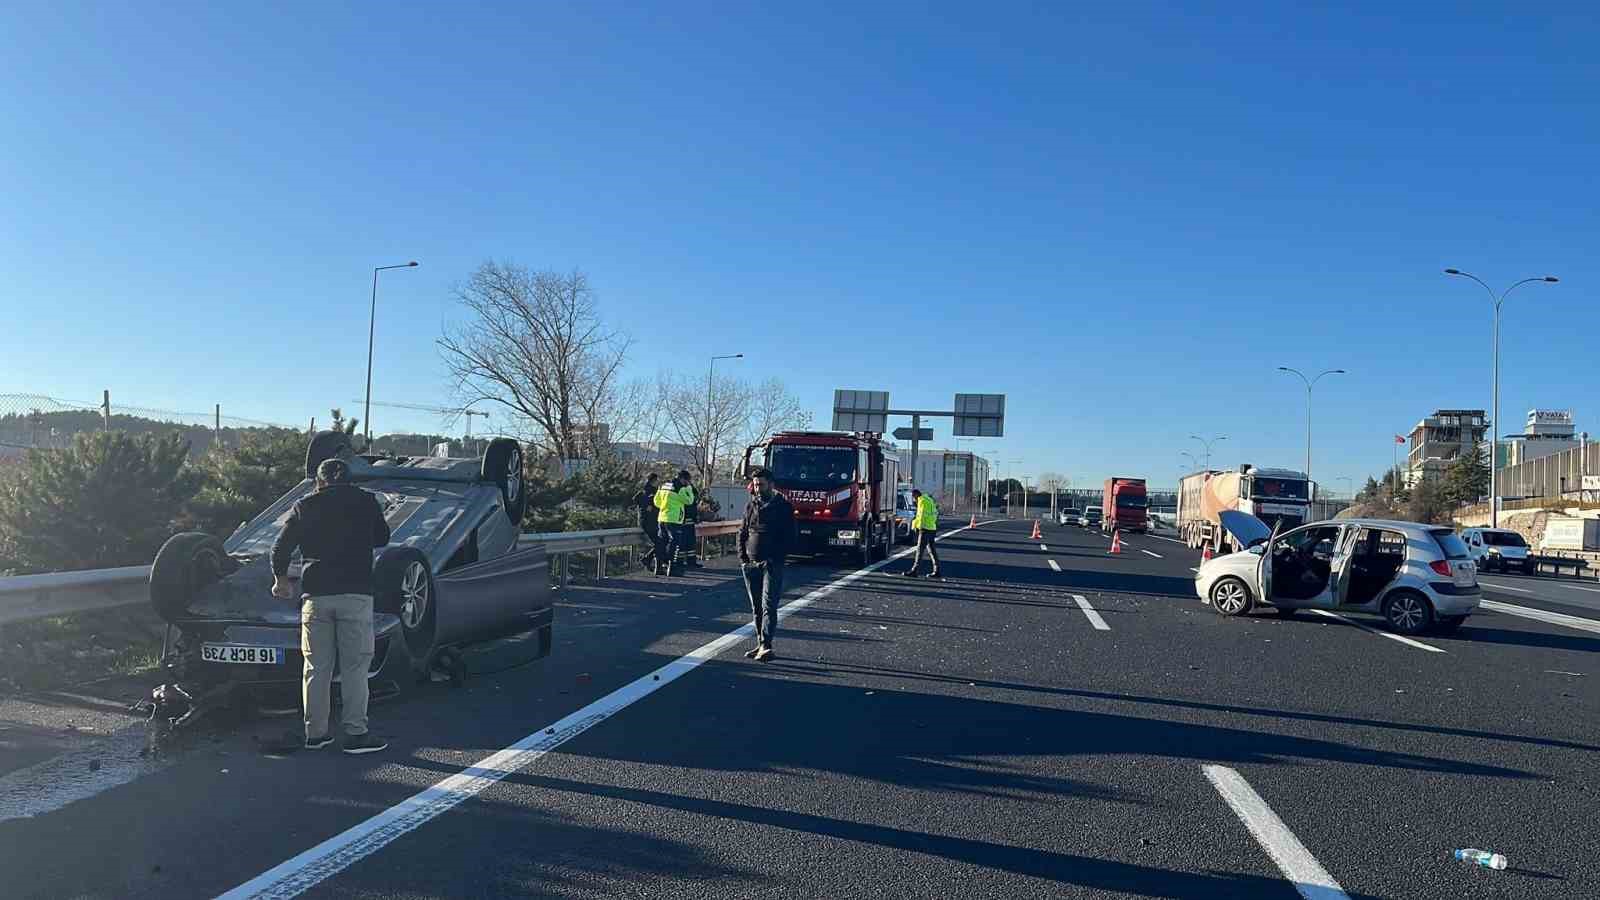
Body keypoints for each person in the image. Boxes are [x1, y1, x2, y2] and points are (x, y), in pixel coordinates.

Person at [271, 458, 392, 754]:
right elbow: (382, 538)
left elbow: (279, 548)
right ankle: (355, 734)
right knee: (354, 667)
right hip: (356, 594)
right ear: (350, 480)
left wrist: (281, 580)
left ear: (319, 481)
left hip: (316, 596)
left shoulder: (305, 505)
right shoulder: (367, 502)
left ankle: (316, 734)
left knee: (315, 668)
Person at [739, 467, 794, 661]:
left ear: (771, 484)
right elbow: (743, 532)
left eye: (761, 484)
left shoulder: (783, 507)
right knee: (756, 608)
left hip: (771, 564)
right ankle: (759, 643)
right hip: (751, 564)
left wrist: (775, 557)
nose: (757, 487)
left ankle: (767, 645)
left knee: (768, 605)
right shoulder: (751, 506)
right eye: (755, 484)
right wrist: (743, 559)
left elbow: (789, 537)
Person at [654, 471, 693, 576]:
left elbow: (656, 502)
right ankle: (672, 568)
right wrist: (689, 488)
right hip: (674, 519)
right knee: (674, 543)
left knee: (661, 542)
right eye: (688, 480)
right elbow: (689, 501)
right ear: (683, 479)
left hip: (662, 518)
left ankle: (658, 567)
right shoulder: (681, 488)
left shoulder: (663, 486)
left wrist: (665, 506)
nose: (688, 483)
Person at [903, 488, 941, 578]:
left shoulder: (922, 501)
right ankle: (937, 571)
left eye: (913, 498)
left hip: (924, 529)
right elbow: (935, 513)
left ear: (915, 495)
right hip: (932, 528)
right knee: (932, 551)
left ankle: (914, 571)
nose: (914, 501)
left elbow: (921, 516)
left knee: (920, 551)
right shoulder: (929, 499)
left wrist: (917, 527)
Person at [633, 473, 662, 571]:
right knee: (659, 543)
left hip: (651, 522)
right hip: (648, 522)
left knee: (659, 543)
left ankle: (647, 560)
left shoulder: (648, 490)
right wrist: (646, 507)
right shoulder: (649, 492)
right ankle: (647, 559)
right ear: (653, 481)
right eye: (657, 480)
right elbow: (639, 501)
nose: (659, 482)